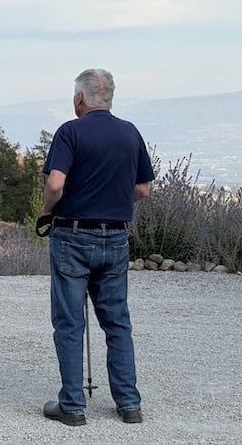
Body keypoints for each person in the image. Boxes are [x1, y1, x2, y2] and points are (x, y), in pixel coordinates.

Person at [39, 68, 154, 427]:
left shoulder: (70, 132)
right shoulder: (130, 132)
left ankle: (72, 407)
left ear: (79, 99)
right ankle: (129, 404)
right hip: (115, 236)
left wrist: (46, 210)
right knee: (117, 322)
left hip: (72, 234)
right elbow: (143, 190)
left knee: (70, 322)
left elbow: (55, 183)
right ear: (110, 98)